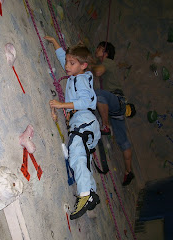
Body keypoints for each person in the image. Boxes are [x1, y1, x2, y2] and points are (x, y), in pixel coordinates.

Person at [44, 35, 101, 220]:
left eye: (72, 63)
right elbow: (65, 60)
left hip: (84, 120)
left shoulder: (82, 80)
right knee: (83, 159)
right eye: (67, 62)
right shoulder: (77, 74)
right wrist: (55, 43)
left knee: (76, 152)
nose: (67, 66)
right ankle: (91, 192)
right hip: (87, 124)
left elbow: (87, 101)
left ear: (83, 66)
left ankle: (84, 194)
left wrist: (61, 105)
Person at [92, 41, 136, 186]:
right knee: (123, 141)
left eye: (99, 48)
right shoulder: (105, 63)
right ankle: (128, 172)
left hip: (117, 101)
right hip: (116, 108)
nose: (97, 49)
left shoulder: (109, 62)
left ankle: (105, 126)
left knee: (99, 94)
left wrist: (90, 65)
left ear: (105, 51)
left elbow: (98, 72)